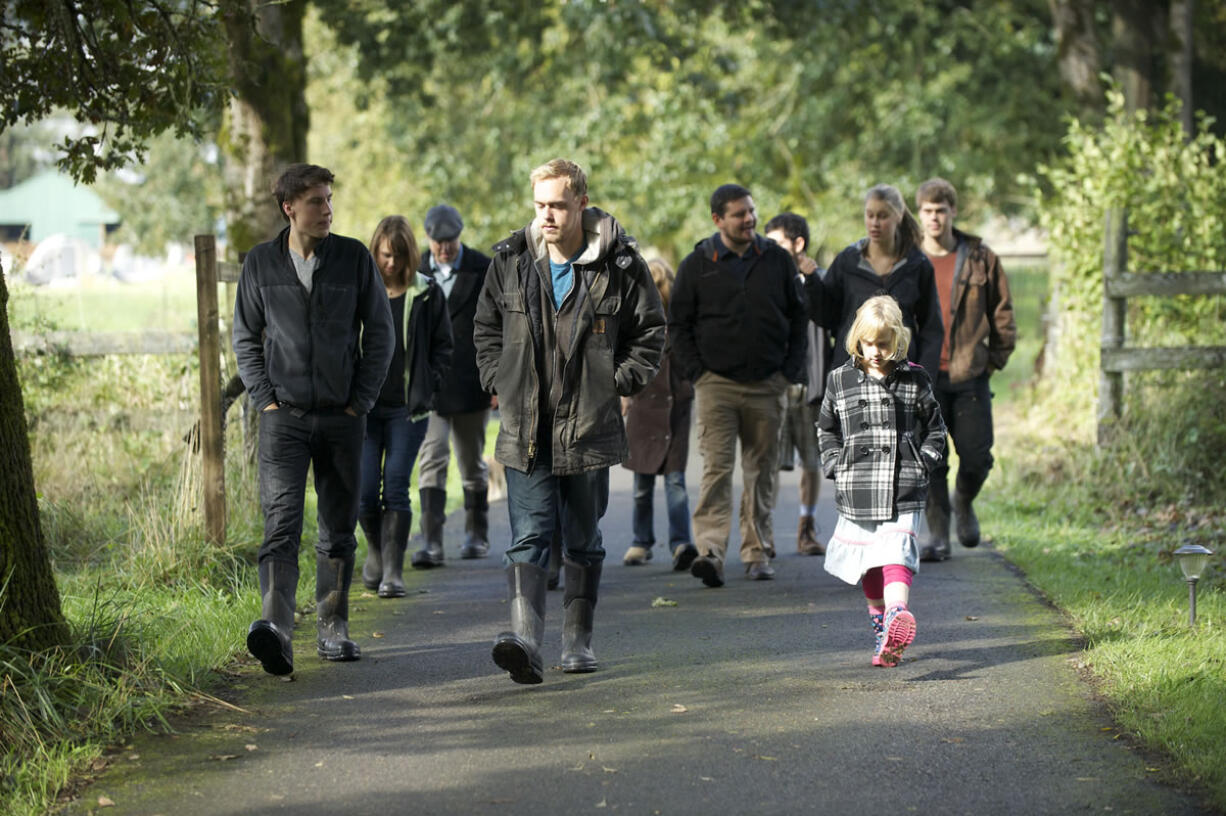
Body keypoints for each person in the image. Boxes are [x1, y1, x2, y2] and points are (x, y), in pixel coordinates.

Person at [473, 158, 665, 684]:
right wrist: (499, 378)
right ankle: (525, 643)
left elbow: (651, 331)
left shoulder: (621, 264)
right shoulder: (510, 261)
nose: (546, 216)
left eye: (557, 204)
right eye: (539, 206)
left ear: (581, 201)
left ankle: (577, 641)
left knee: (582, 537)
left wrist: (615, 381)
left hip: (589, 423)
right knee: (528, 536)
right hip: (525, 424)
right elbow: (485, 327)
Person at [233, 163, 394, 676]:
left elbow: (381, 335)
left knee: (338, 528)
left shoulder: (353, 258)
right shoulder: (260, 264)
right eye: (317, 202)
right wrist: (266, 400)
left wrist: (359, 401)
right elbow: (245, 338)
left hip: (343, 417)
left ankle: (332, 627)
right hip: (284, 419)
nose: (328, 210)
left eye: (329, 200)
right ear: (290, 208)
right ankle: (276, 631)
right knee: (280, 525)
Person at [669, 184, 808, 587]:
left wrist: (788, 372)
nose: (748, 219)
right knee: (715, 469)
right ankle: (710, 553)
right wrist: (697, 372)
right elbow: (678, 324)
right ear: (718, 220)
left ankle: (758, 552)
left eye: (750, 211)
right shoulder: (698, 263)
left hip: (768, 384)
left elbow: (799, 318)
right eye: (738, 214)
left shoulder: (777, 260)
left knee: (761, 471)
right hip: (716, 385)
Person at [817, 295, 946, 667]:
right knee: (870, 562)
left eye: (884, 344)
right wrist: (833, 463)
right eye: (869, 343)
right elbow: (826, 428)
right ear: (858, 339)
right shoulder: (840, 380)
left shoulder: (914, 378)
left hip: (904, 482)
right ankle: (883, 632)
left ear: (897, 340)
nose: (876, 351)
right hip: (858, 486)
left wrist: (925, 461)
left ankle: (896, 614)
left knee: (897, 552)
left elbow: (936, 428)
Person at [914, 178, 1016, 561]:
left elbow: (1003, 312)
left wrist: (993, 360)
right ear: (919, 214)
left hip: (970, 372)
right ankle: (938, 536)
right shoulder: (909, 257)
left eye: (941, 210)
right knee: (932, 460)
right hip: (923, 376)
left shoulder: (979, 256)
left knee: (976, 456)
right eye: (927, 210)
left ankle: (965, 500)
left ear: (952, 212)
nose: (934, 217)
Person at [357, 216, 453, 598]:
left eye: (398, 256)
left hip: (406, 410)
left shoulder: (427, 293)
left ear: (409, 255)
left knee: (395, 485)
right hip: (364, 408)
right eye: (384, 256)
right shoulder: (361, 292)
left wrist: (430, 386)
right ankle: (377, 553)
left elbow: (444, 347)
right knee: (364, 491)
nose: (391, 264)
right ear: (374, 253)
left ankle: (394, 571)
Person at [411, 204, 496, 566]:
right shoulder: (416, 269)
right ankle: (431, 541)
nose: (444, 248)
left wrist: (495, 382)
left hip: (471, 380)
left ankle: (476, 534)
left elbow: (497, 325)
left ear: (459, 237)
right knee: (431, 458)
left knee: (471, 460)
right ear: (428, 238)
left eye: (450, 241)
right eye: (437, 241)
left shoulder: (481, 267)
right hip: (429, 384)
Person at [804, 184, 943, 379]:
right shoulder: (848, 260)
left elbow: (932, 329)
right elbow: (826, 317)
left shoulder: (917, 265)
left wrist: (925, 377)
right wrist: (812, 284)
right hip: (851, 376)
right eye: (870, 215)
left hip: (903, 377)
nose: (874, 223)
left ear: (898, 215)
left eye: (882, 216)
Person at [620, 257, 698, 570]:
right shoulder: (632, 324)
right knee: (642, 484)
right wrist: (623, 394)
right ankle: (641, 541)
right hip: (643, 407)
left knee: (675, 481)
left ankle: (681, 542)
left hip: (675, 407)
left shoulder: (680, 323)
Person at [763, 212, 832, 556]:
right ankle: (766, 533)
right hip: (775, 383)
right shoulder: (766, 279)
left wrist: (812, 278)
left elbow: (830, 317)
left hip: (812, 384)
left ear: (797, 243)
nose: (768, 249)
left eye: (776, 243)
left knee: (811, 461)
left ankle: (806, 528)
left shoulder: (818, 280)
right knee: (769, 462)